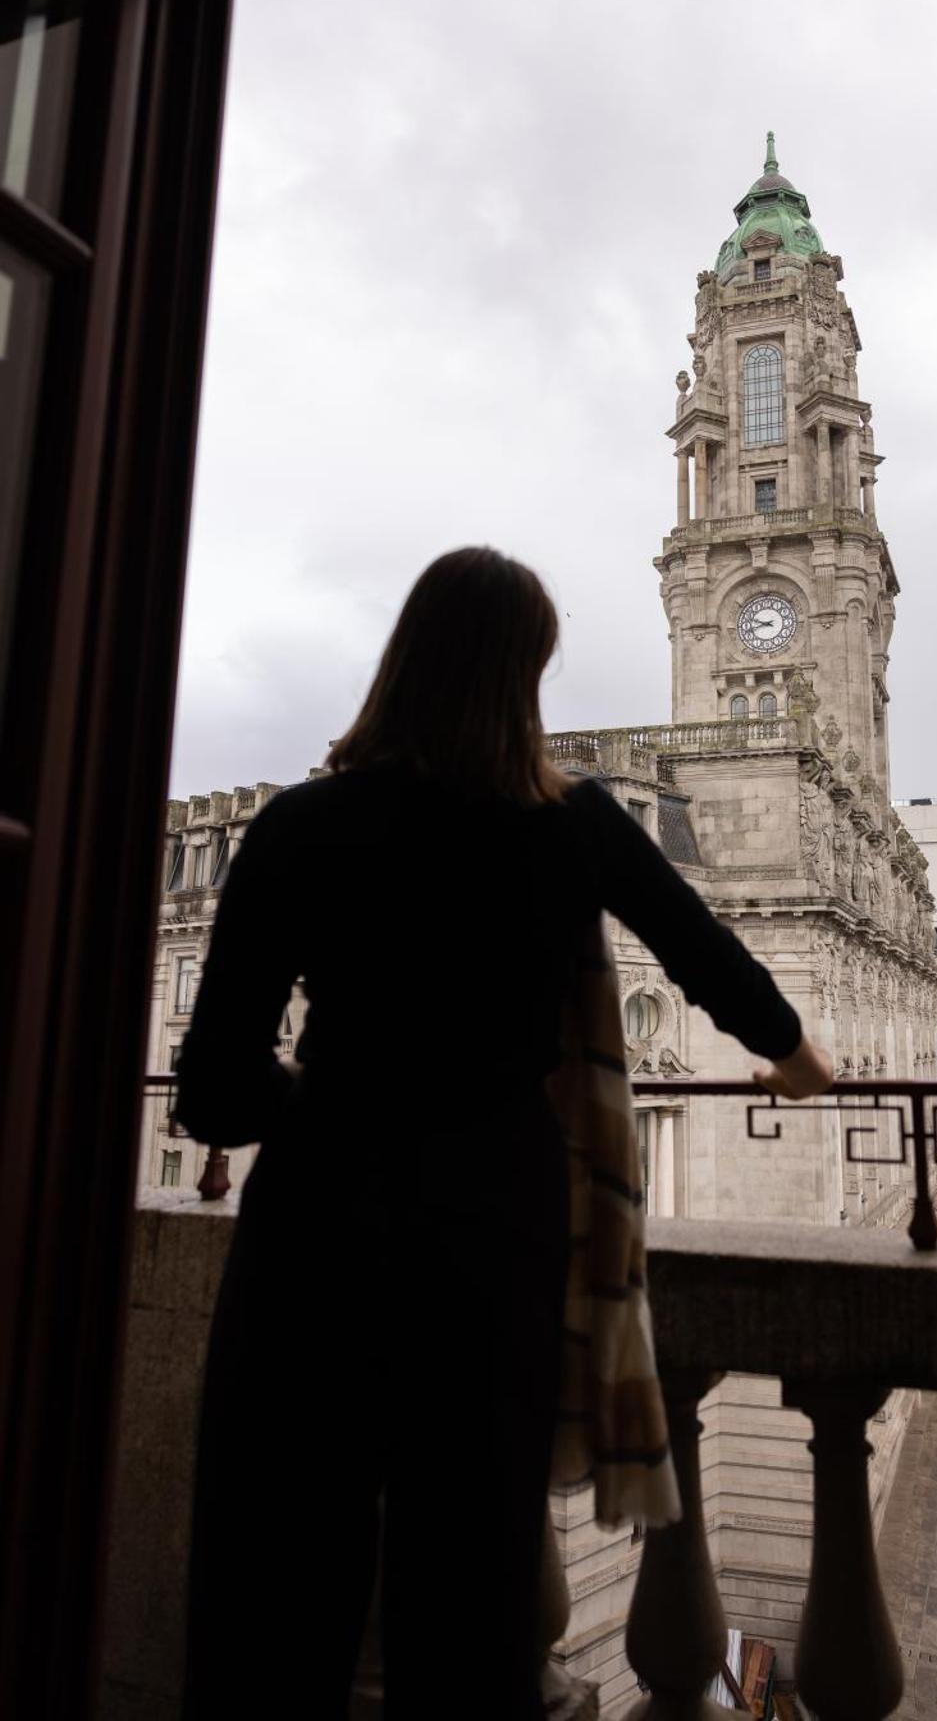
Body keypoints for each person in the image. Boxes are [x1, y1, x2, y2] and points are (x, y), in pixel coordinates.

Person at [176, 546, 832, 1720]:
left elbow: (213, 1094)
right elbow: (706, 954)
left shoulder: (302, 827)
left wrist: (329, 1107)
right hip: (494, 1239)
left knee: (278, 1599)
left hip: (317, 1241)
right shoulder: (571, 823)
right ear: (526, 676)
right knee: (468, 1611)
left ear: (401, 662)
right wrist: (792, 1057)